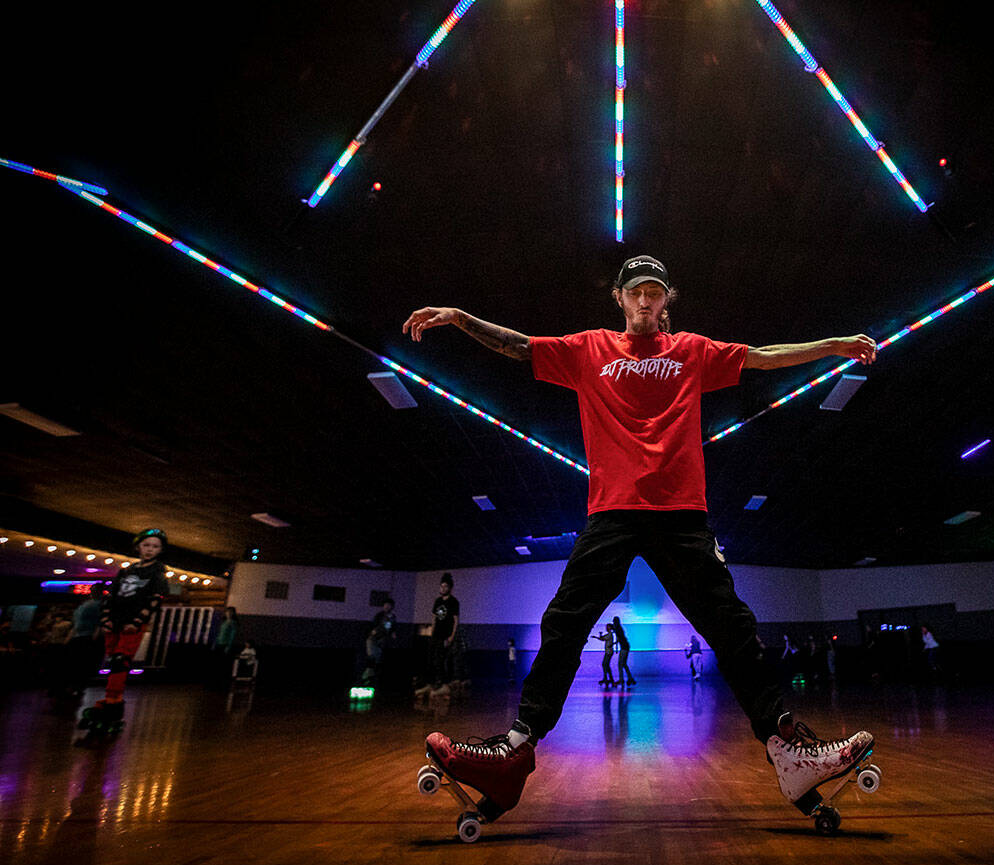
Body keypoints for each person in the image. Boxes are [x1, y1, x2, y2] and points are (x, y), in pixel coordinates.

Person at [406, 254, 878, 823]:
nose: (646, 301)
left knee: (732, 626)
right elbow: (520, 346)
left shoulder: (692, 352)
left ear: (666, 300)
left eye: (655, 293)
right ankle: (515, 747)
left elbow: (761, 357)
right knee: (564, 623)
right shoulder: (588, 350)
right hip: (613, 512)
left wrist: (832, 347)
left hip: (681, 514)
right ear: (621, 298)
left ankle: (788, 749)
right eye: (636, 293)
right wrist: (459, 317)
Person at [79, 529, 170, 733]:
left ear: (161, 550)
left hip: (132, 623)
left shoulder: (158, 573)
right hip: (115, 620)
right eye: (146, 545)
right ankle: (110, 700)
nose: (150, 550)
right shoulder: (126, 571)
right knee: (113, 661)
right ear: (138, 546)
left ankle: (113, 700)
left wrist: (138, 621)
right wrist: (105, 619)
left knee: (121, 661)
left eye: (155, 546)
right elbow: (110, 597)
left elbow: (155, 600)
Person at [362, 599, 398, 686]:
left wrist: (393, 633)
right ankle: (365, 677)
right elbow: (374, 625)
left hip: (381, 640)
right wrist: (374, 631)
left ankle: (371, 678)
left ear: (392, 607)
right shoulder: (379, 615)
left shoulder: (392, 617)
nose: (386, 607)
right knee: (372, 657)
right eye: (385, 605)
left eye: (388, 605)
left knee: (377, 660)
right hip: (373, 639)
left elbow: (392, 627)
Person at [611, 615, 636, 687]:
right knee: (624, 664)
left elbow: (619, 637)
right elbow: (620, 638)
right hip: (626, 646)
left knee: (620, 664)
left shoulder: (618, 629)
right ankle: (630, 678)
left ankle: (621, 680)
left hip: (624, 647)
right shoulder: (619, 629)